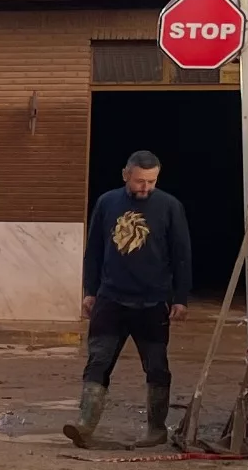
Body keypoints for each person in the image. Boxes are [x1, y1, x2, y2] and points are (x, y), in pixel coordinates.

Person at [68, 150, 191, 449]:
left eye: (151, 181)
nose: (145, 188)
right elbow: (94, 250)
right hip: (111, 299)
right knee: (98, 361)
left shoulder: (170, 207)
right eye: (139, 181)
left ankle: (156, 428)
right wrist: (89, 290)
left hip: (153, 302)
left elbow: (181, 255)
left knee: (157, 367)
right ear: (126, 175)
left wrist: (180, 298)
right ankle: (85, 424)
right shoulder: (107, 203)